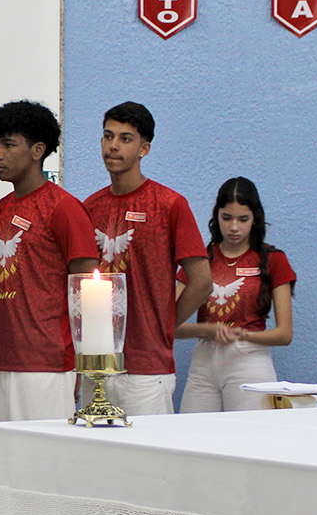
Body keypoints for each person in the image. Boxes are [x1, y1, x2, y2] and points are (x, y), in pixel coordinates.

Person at [81, 102, 210, 415]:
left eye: (125, 138)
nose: (113, 145)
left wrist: (165, 326)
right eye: (108, 136)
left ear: (145, 149)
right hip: (96, 363)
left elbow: (202, 281)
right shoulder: (89, 207)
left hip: (146, 369)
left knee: (146, 448)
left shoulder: (169, 205)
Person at [0, 100, 100, 422]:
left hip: (45, 363)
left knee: (40, 451)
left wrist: (84, 362)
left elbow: (89, 288)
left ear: (37, 150)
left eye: (8, 145)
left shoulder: (64, 208)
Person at [177, 177, 297, 412]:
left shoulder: (274, 260)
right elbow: (169, 326)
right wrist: (207, 330)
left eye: (243, 219)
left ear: (255, 219)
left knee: (250, 431)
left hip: (249, 360)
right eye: (227, 218)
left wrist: (243, 335)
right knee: (193, 430)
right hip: (204, 359)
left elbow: (285, 334)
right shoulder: (200, 261)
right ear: (216, 216)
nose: (234, 227)